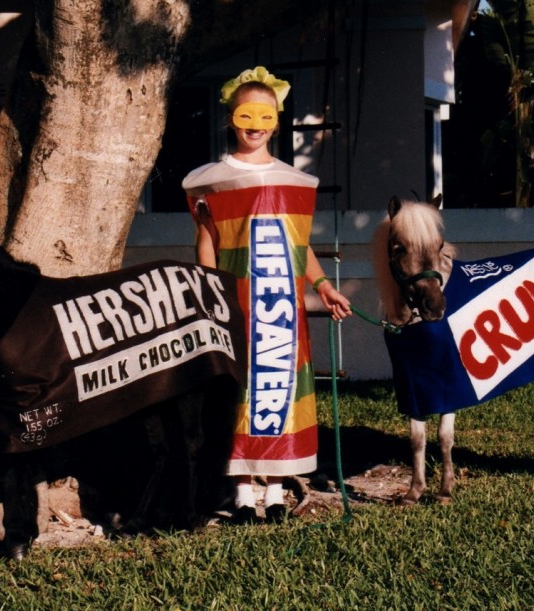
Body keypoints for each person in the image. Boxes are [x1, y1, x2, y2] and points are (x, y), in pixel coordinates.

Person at [182, 67, 352, 524]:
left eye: (265, 116)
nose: (255, 126)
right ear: (231, 119)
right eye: (246, 115)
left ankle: (274, 493)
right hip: (235, 304)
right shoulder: (211, 180)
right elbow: (207, 241)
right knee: (239, 394)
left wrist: (323, 285)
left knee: (279, 388)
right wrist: (209, 295)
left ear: (276, 122)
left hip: (281, 310)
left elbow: (300, 245)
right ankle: (242, 496)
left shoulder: (291, 180)